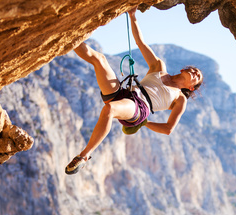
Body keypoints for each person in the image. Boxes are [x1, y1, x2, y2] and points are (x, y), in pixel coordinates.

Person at [65, 8, 204, 175]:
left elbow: (168, 128)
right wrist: (132, 15)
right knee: (99, 59)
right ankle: (65, 36)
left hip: (139, 108)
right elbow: (140, 43)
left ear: (191, 87)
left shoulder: (180, 99)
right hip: (125, 94)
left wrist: (144, 123)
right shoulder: (159, 67)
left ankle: (84, 156)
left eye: (197, 77)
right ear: (184, 69)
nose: (195, 73)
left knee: (110, 109)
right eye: (195, 70)